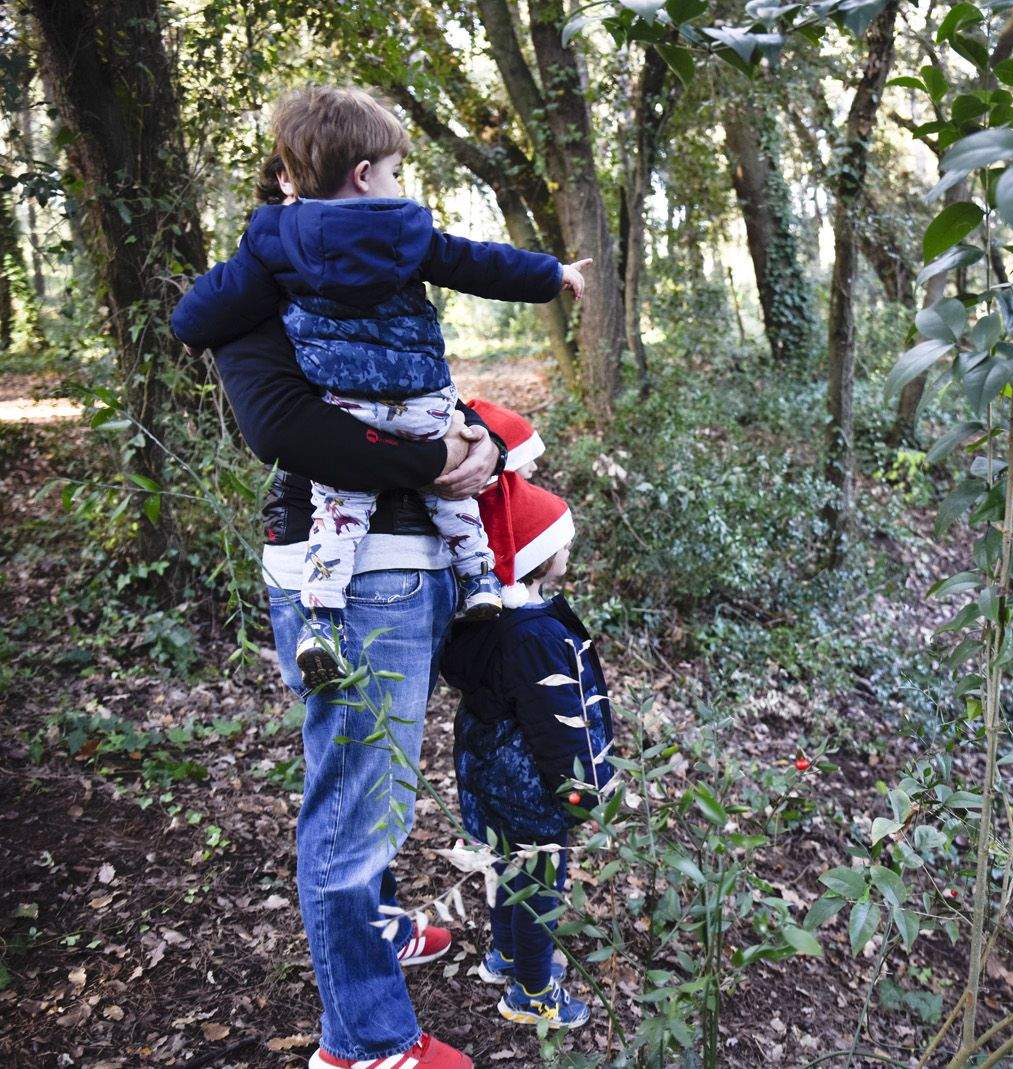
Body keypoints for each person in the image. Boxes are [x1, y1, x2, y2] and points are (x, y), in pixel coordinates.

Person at [210, 162, 537, 1069]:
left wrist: (480, 438)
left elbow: (422, 390)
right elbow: (284, 428)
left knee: (374, 779)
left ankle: (377, 927)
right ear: (292, 180)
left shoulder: (385, 253)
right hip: (347, 573)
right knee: (355, 801)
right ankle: (364, 1042)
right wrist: (435, 461)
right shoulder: (253, 280)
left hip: (414, 558)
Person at [173, 85, 590, 689]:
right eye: (397, 172)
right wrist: (552, 273)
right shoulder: (406, 233)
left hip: (347, 410)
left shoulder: (269, 247)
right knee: (454, 498)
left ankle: (321, 618)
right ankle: (479, 583)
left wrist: (193, 328)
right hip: (419, 409)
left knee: (338, 512)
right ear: (365, 175)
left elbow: (205, 308)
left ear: (293, 178)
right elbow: (479, 263)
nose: (400, 185)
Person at [440, 476, 615, 1029]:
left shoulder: (485, 621)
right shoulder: (535, 637)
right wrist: (585, 791)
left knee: (506, 866)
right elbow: (558, 727)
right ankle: (533, 992)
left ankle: (508, 956)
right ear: (538, 556)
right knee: (540, 880)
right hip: (530, 787)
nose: (570, 548)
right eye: (562, 541)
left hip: (488, 775)